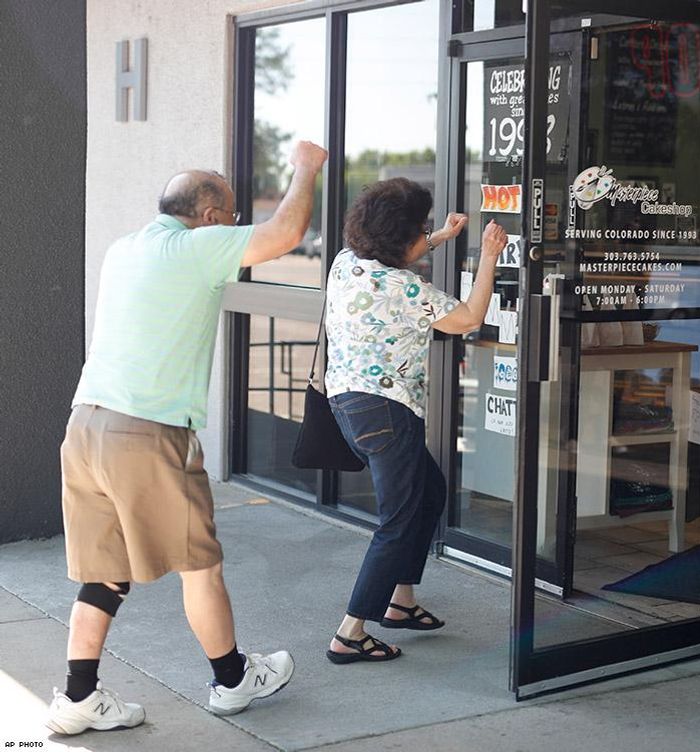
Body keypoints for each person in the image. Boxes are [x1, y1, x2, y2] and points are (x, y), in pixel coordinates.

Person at [46, 141, 329, 735]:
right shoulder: (196, 246)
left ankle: (78, 696)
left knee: (104, 571)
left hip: (85, 425)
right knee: (200, 565)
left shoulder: (125, 247)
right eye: (230, 216)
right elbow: (286, 232)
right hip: (146, 432)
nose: (232, 227)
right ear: (209, 216)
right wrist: (306, 167)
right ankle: (232, 680)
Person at [325, 178, 506, 663]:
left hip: (348, 404)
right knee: (398, 521)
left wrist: (442, 235)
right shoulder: (403, 288)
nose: (425, 235)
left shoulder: (346, 263)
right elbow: (467, 318)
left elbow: (398, 249)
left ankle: (400, 602)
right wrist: (489, 256)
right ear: (401, 237)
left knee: (429, 494)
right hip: (386, 411)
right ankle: (350, 633)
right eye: (421, 230)